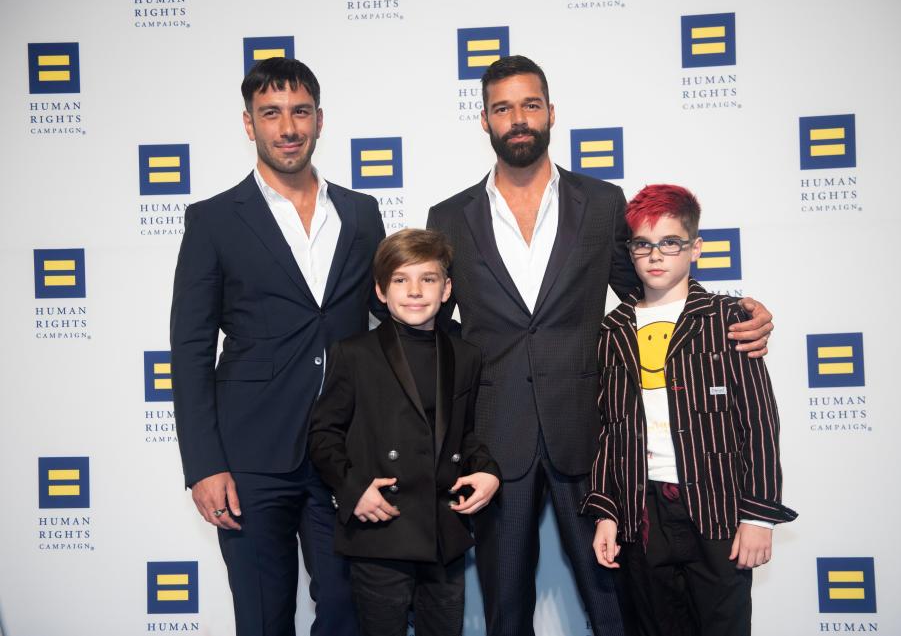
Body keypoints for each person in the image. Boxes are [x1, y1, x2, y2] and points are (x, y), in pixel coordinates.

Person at [426, 55, 775, 636]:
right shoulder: (449, 216)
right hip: (493, 438)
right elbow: (433, 325)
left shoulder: (602, 201)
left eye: (530, 104)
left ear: (551, 113)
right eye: (503, 108)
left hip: (591, 435)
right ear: (483, 120)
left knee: (614, 604)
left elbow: (651, 286)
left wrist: (728, 314)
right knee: (504, 610)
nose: (518, 118)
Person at [170, 57, 385, 636]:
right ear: (249, 125)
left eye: (299, 112)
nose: (287, 128)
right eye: (271, 114)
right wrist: (204, 465)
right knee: (264, 618)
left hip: (341, 450)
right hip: (249, 457)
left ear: (319, 119)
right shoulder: (213, 220)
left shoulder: (362, 212)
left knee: (347, 610)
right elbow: (190, 349)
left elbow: (388, 319)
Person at [581, 184, 797, 636]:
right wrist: (607, 512)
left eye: (670, 243)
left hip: (716, 506)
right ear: (629, 252)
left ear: (694, 248)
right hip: (642, 510)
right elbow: (608, 431)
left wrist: (757, 516)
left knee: (724, 623)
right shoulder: (613, 329)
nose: (656, 255)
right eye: (643, 244)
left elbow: (759, 422)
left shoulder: (728, 318)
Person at [308, 228, 501, 636]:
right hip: (381, 527)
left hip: (443, 530)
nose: (415, 290)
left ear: (446, 289)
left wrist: (487, 470)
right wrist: (352, 487)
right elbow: (323, 434)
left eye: (427, 279)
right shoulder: (354, 352)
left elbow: (466, 433)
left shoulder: (465, 356)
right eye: (400, 279)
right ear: (380, 291)